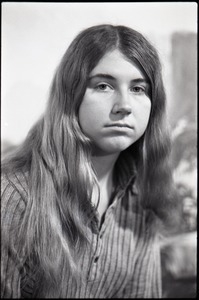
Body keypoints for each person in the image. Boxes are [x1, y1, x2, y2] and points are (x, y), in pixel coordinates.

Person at [1, 24, 180, 298]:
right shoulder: (14, 196)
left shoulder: (143, 198)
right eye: (103, 85)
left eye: (138, 88)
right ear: (71, 95)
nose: (124, 105)